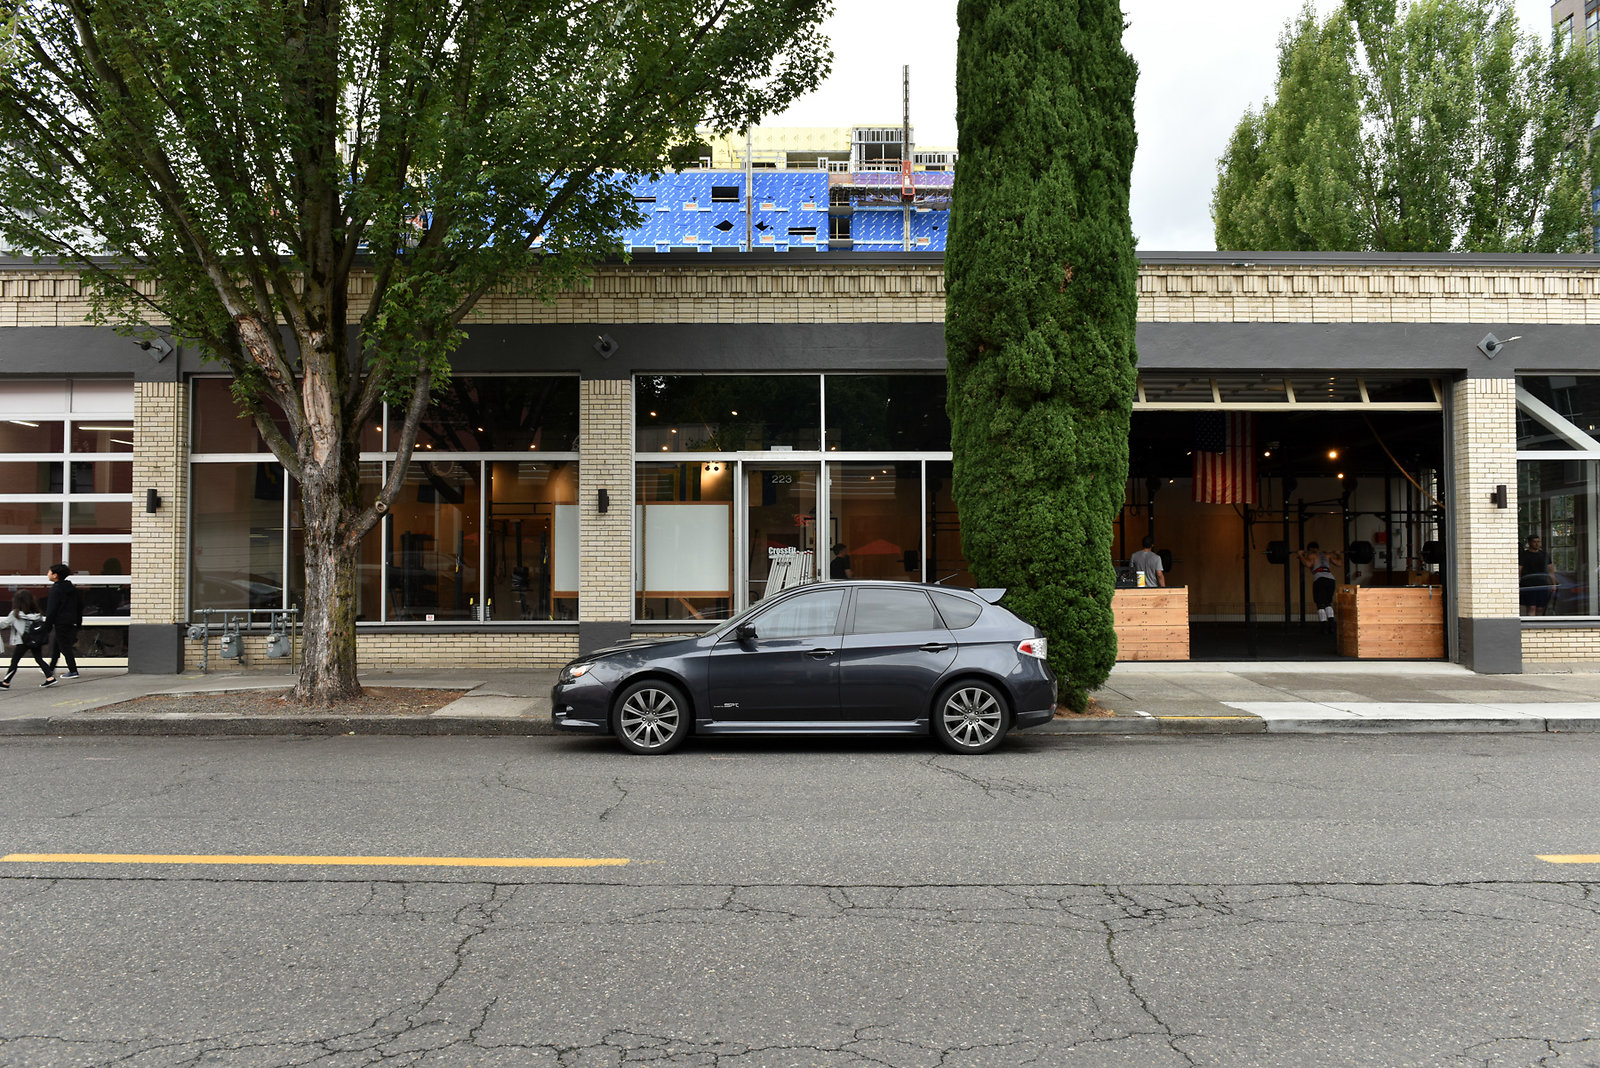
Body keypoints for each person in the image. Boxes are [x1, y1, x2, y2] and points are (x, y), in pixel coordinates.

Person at [0, 590, 53, 688]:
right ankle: (50, 677)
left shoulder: (15, 613)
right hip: (35, 640)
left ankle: (5, 682)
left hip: (22, 641)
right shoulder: (37, 614)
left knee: (15, 661)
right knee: (39, 659)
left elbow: (3, 624)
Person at [42, 563, 82, 681]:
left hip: (60, 622)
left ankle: (73, 670)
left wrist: (47, 625)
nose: (48, 574)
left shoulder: (56, 589)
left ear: (55, 575)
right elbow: (80, 606)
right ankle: (50, 669)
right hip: (70, 621)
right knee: (57, 645)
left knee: (64, 647)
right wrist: (78, 622)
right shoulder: (72, 589)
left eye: (49, 572)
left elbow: (52, 609)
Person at [1298, 542, 1344, 633]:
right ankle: (1332, 626)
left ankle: (1323, 627)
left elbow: (1308, 564)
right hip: (1331, 579)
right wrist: (1338, 554)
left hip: (1319, 579)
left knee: (1320, 604)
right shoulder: (1327, 555)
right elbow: (1339, 563)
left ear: (1310, 549)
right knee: (1328, 603)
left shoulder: (1311, 555)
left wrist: (1300, 555)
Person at [1519, 534, 1556, 616]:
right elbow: (1519, 569)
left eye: (1538, 542)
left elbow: (1550, 569)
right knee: (1531, 607)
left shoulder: (1544, 555)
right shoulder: (1524, 555)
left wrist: (1553, 584)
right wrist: (1518, 581)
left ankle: (1538, 623)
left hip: (1542, 584)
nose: (1537, 544)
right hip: (1529, 585)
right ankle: (1531, 623)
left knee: (1540, 608)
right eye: (1534, 542)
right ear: (1529, 543)